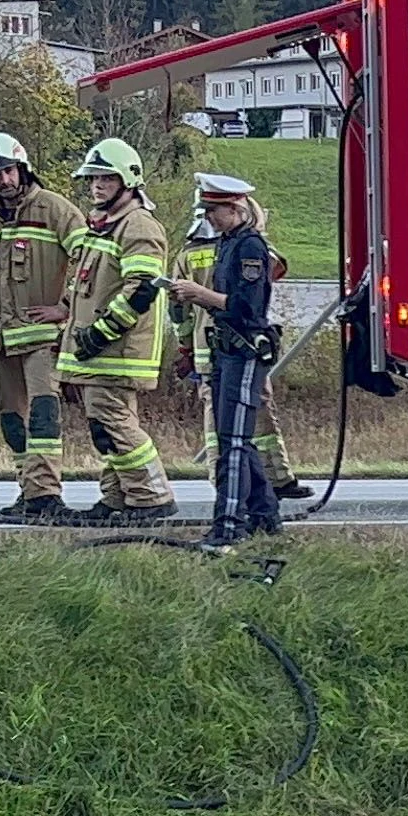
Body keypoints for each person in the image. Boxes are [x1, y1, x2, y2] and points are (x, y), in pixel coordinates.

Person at [55, 138, 177, 523]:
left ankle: (151, 496)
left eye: (106, 178)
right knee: (106, 428)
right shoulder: (107, 227)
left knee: (114, 423)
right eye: (92, 179)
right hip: (100, 351)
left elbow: (142, 289)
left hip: (116, 350)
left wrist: (101, 332)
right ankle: (117, 498)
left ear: (128, 181)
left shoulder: (138, 225)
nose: (96, 186)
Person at [0, 133, 85, 518]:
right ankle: (28, 490)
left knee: (43, 414)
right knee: (10, 420)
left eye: (9, 170)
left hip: (41, 339)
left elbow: (92, 263)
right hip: (1, 338)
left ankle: (46, 494)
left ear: (23, 167)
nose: (4, 180)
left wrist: (65, 306)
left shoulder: (55, 209)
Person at [170, 171, 282, 547]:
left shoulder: (250, 246)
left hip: (245, 349)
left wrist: (200, 294)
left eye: (213, 210)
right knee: (234, 437)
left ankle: (228, 525)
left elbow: (246, 306)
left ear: (234, 208)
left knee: (232, 442)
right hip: (226, 351)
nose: (209, 218)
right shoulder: (228, 243)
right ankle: (264, 515)